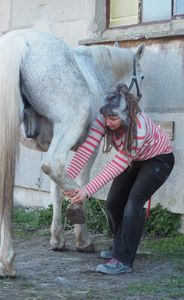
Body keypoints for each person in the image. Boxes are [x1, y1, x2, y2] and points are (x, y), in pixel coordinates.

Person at [64, 83, 174, 275]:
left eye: (113, 118)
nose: (108, 122)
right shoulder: (105, 117)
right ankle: (120, 246)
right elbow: (87, 147)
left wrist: (87, 191)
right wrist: (67, 179)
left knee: (133, 202)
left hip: (158, 160)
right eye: (106, 117)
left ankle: (123, 260)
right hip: (133, 159)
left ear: (124, 115)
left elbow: (117, 165)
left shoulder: (139, 127)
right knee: (113, 202)